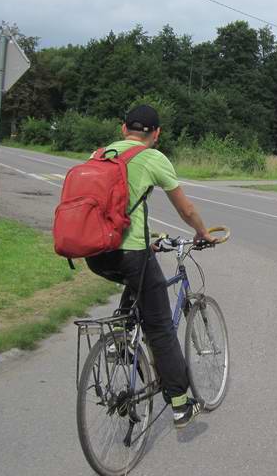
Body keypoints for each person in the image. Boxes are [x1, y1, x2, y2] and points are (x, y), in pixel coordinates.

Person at [85, 104, 217, 428]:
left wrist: (152, 237)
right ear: (156, 134)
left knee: (138, 281)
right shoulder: (153, 158)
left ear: (123, 128)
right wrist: (202, 233)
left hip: (95, 253)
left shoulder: (99, 155)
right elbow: (185, 209)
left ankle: (123, 335)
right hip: (131, 254)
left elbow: (112, 210)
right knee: (160, 327)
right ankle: (181, 404)